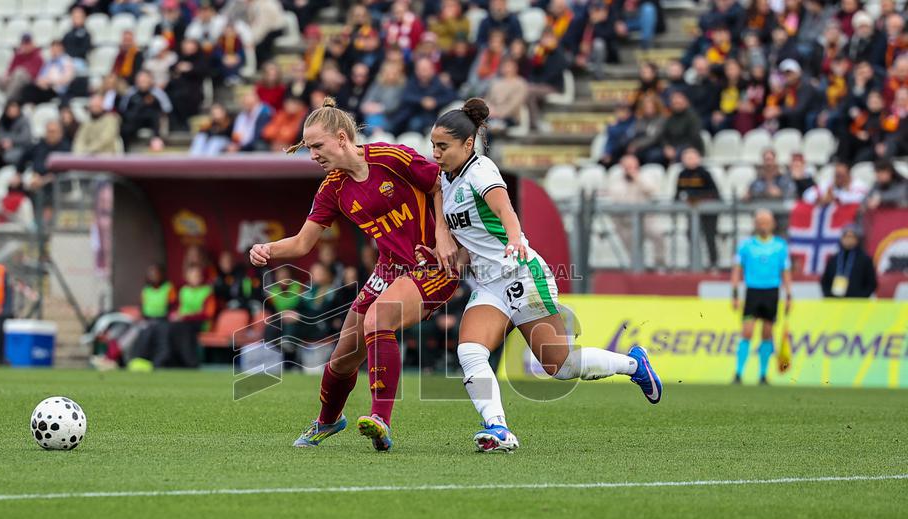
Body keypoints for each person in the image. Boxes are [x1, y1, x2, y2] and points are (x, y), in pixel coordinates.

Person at [429, 99, 663, 452]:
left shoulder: (481, 172)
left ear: (467, 144)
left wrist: (513, 241)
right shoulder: (447, 181)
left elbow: (506, 211)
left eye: (442, 146)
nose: (435, 153)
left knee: (561, 366)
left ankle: (633, 364)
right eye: (433, 145)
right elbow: (474, 239)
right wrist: (444, 252)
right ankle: (498, 428)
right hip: (490, 283)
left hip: (522, 272)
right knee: (470, 351)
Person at [248, 98, 459, 452]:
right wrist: (268, 250)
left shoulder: (391, 158)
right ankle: (328, 421)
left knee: (379, 318)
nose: (312, 154)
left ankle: (380, 419)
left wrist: (442, 233)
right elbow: (302, 243)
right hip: (388, 270)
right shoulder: (333, 187)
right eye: (308, 147)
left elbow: (439, 184)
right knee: (343, 356)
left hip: (431, 265)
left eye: (317, 145)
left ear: (343, 138)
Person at [730, 209, 792, 385]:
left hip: (772, 292)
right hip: (753, 291)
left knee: (767, 333)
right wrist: (734, 294)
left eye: (766, 222)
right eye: (760, 222)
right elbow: (736, 270)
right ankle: (738, 373)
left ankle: (763, 374)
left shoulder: (780, 246)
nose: (763, 225)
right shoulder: (746, 245)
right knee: (747, 332)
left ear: (772, 224)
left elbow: (785, 272)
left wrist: (789, 295)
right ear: (755, 225)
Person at [675, 147, 721, 270]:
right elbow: (678, 193)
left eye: (692, 157)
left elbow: (715, 193)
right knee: (692, 236)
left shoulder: (705, 173)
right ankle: (693, 262)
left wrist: (697, 198)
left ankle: (713, 263)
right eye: (687, 158)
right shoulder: (682, 174)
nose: (690, 160)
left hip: (708, 212)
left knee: (709, 236)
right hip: (691, 211)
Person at [820, 225, 877, 298]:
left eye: (851, 236)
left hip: (857, 303)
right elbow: (825, 281)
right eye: (846, 236)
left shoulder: (865, 259)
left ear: (857, 239)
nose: (848, 239)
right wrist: (829, 296)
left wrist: (861, 297)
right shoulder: (834, 259)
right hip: (835, 303)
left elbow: (871, 283)